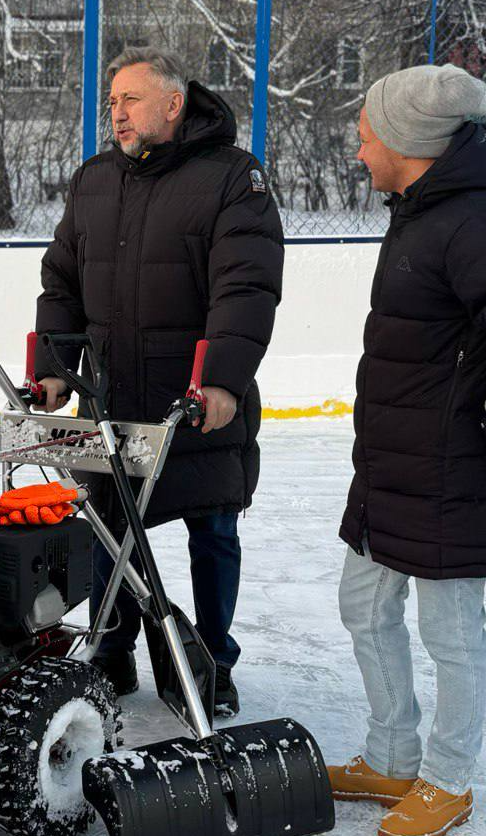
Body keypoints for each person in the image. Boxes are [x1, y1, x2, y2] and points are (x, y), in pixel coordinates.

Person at [34, 45, 283, 713]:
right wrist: (56, 375)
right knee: (104, 530)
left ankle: (210, 665)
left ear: (173, 103)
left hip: (193, 402)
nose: (116, 113)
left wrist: (224, 382)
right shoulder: (94, 180)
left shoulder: (233, 177)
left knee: (212, 530)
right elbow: (62, 283)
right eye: (111, 102)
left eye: (131, 100)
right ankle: (112, 653)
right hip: (110, 399)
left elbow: (246, 288)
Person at [329, 64, 486, 836]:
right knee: (364, 606)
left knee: (453, 634)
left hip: (451, 471)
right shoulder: (420, 210)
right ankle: (391, 757)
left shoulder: (471, 222)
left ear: (408, 142)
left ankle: (449, 779)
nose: (359, 152)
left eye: (365, 138)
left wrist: (468, 430)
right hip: (390, 464)